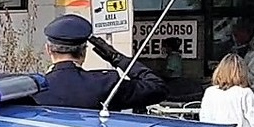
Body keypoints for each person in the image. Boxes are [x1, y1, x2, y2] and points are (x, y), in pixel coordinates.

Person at [32, 15, 168, 111]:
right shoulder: (105, 84)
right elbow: (158, 88)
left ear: (48, 49)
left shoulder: (32, 89)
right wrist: (117, 58)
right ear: (84, 51)